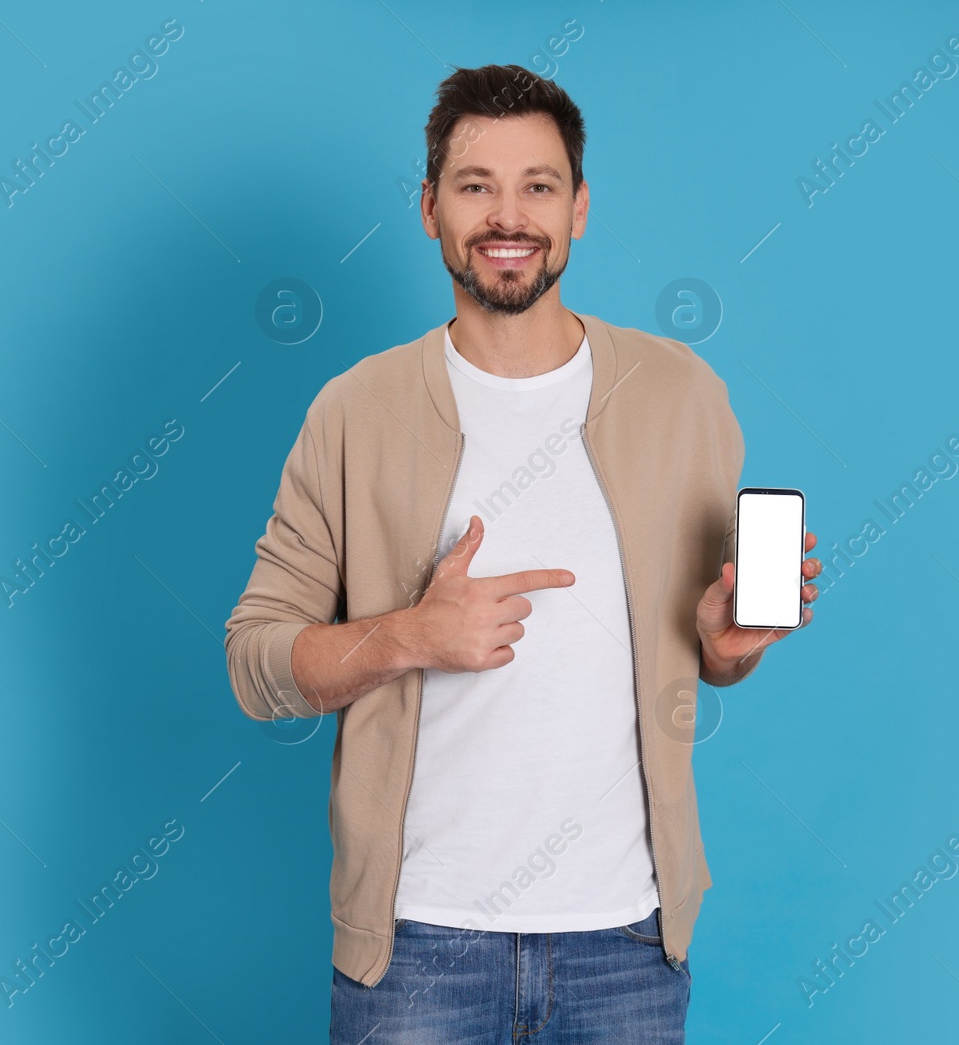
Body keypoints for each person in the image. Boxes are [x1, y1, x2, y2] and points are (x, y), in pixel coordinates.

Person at [224, 63, 821, 1043]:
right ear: (429, 208)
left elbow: (710, 656)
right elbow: (255, 665)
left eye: (538, 185)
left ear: (579, 207)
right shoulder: (354, 410)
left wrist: (727, 644)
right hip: (415, 946)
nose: (510, 215)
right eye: (475, 185)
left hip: (624, 940)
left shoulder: (682, 397)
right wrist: (407, 633)